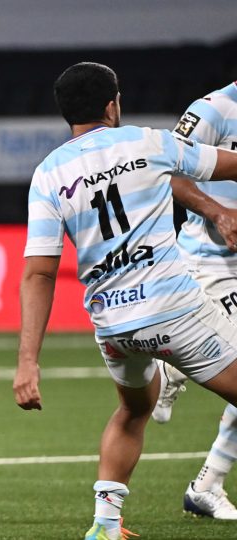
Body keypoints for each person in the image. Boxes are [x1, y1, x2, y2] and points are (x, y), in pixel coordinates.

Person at [15, 61, 237, 540]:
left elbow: (38, 272)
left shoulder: (48, 175)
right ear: (112, 104)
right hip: (176, 313)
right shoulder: (147, 142)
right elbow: (227, 165)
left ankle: (106, 524)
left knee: (134, 410)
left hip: (115, 329)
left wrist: (28, 363)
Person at [147, 81, 237, 519]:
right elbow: (169, 172)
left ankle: (208, 485)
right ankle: (174, 357)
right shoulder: (214, 109)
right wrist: (217, 211)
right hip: (212, 263)